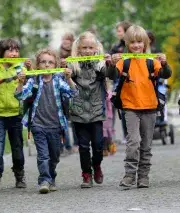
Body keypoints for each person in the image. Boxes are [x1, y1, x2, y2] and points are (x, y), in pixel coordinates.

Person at [111, 25, 171, 189]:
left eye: (140, 42)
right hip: (130, 107)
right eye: (133, 43)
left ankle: (143, 176)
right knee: (133, 142)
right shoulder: (124, 61)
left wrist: (165, 64)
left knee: (146, 144)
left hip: (150, 107)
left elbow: (166, 74)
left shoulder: (152, 61)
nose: (136, 46)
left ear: (145, 43)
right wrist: (111, 64)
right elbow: (112, 75)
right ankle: (129, 175)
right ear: (127, 44)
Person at [15, 48, 77, 193]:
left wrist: (69, 79)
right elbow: (20, 96)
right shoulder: (34, 80)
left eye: (50, 62)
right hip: (38, 125)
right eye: (43, 62)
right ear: (38, 65)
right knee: (43, 156)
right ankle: (44, 180)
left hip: (55, 126)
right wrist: (20, 82)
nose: (47, 65)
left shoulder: (58, 80)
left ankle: (51, 176)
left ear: (55, 65)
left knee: (54, 156)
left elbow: (73, 93)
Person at [69, 31, 115, 188]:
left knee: (97, 145)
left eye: (90, 47)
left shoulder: (99, 64)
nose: (88, 51)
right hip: (78, 110)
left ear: (96, 48)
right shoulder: (73, 64)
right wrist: (65, 72)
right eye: (84, 47)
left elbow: (110, 75)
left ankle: (97, 165)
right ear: (79, 49)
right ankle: (86, 174)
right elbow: (66, 81)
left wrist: (110, 64)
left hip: (96, 110)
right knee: (83, 146)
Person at [0, 39, 27, 192]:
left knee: (17, 148)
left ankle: (19, 174)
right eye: (10, 50)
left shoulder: (21, 68)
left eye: (16, 50)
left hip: (16, 114)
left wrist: (26, 76)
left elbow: (28, 89)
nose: (14, 53)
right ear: (1, 53)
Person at [109, 21, 133, 145]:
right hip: (119, 80)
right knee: (121, 108)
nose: (117, 33)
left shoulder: (134, 45)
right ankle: (125, 135)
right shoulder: (115, 47)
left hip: (133, 79)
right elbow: (111, 63)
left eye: (119, 31)